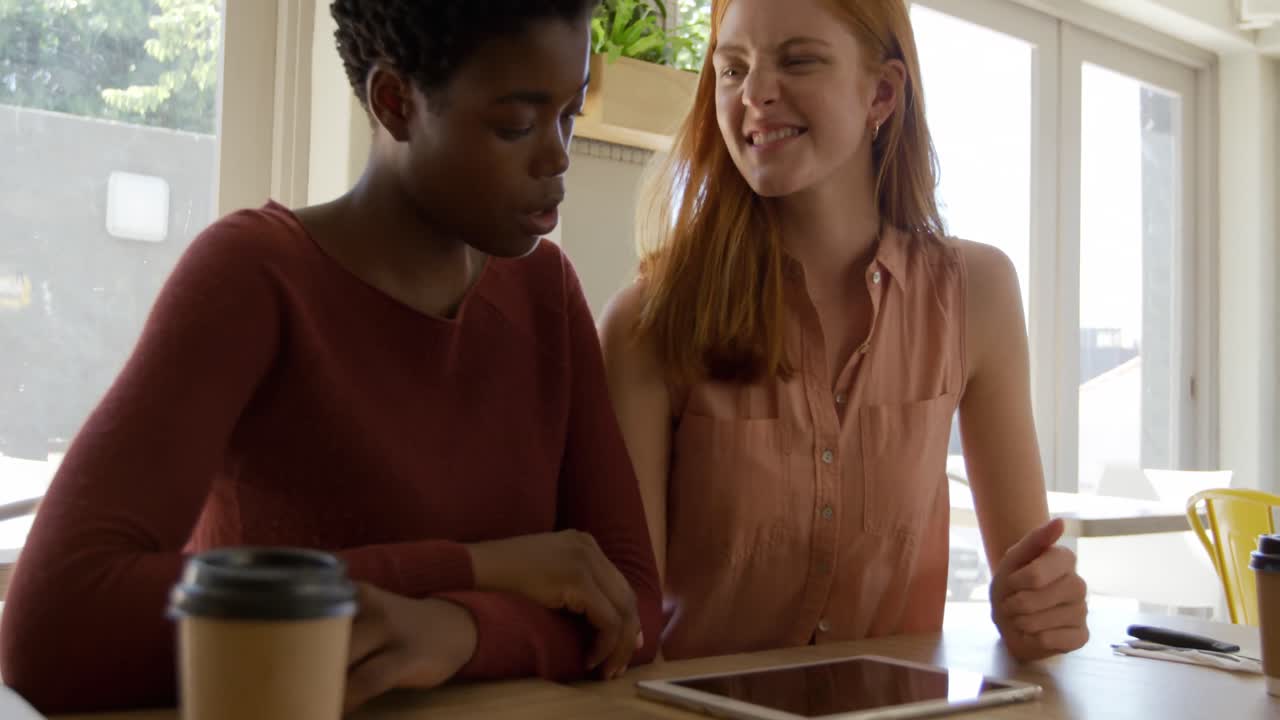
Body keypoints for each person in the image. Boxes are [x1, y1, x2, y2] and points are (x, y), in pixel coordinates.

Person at [0, 0, 661, 713]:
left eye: (570, 115)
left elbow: (631, 611)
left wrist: (457, 628)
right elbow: (53, 626)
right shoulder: (255, 277)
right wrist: (474, 569)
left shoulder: (545, 293)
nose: (558, 157)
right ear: (395, 102)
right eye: (517, 126)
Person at [599, 0, 1088, 662]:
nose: (755, 94)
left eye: (798, 60)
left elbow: (1031, 584)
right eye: (732, 69)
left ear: (881, 93)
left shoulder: (979, 294)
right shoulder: (646, 323)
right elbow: (627, 636)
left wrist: (1042, 609)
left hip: (901, 706)